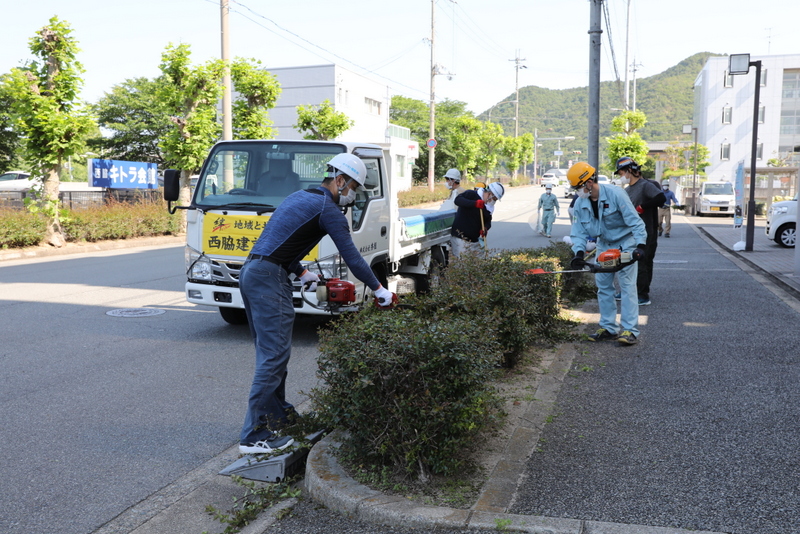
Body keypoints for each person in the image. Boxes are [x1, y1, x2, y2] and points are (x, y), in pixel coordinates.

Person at [238, 153, 397, 454]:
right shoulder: (329, 209)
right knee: (273, 357)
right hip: (269, 278)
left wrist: (301, 271)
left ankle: (278, 417)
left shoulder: (299, 196)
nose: (352, 195)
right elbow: (352, 257)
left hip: (253, 272)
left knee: (272, 354)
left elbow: (275, 242)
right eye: (352, 188)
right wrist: (379, 289)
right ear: (340, 180)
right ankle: (253, 436)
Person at [567, 162, 647, 346]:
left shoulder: (616, 194)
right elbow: (578, 231)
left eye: (578, 187)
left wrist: (640, 246)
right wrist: (578, 254)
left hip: (626, 244)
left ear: (588, 183)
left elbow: (635, 222)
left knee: (627, 287)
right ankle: (609, 328)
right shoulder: (580, 203)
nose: (577, 191)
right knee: (603, 287)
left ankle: (629, 330)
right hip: (604, 245)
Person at [614, 156, 665, 306]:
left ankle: (642, 294)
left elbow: (660, 198)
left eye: (622, 172)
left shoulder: (645, 185)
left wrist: (643, 206)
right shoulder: (628, 189)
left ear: (630, 170)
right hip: (630, 233)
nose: (621, 176)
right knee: (628, 262)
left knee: (642, 262)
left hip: (646, 231)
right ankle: (629, 291)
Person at [450, 181, 505, 257]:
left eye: (495, 200)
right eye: (494, 198)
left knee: (478, 264)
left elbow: (488, 221)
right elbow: (458, 200)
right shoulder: (471, 194)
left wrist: (485, 228)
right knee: (462, 265)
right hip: (460, 239)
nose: (493, 201)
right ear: (489, 193)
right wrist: (474, 203)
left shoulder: (489, 207)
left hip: (474, 241)